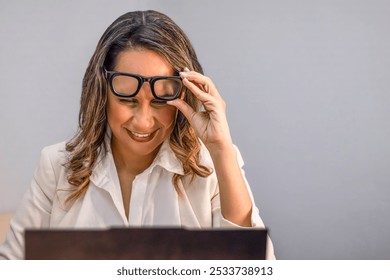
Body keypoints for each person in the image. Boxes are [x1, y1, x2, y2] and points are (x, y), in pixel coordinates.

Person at [0, 10, 275, 260]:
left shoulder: (213, 165)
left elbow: (254, 269)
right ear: (102, 93)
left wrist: (221, 149)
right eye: (128, 101)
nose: (143, 122)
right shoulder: (56, 165)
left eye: (159, 102)